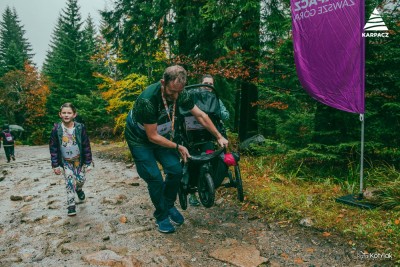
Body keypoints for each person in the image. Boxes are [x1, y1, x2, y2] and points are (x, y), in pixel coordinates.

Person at [125, 65, 228, 233]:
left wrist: (218, 136)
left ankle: (168, 204)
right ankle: (161, 215)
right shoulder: (148, 100)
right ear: (163, 82)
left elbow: (201, 115)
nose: (175, 97)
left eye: (179, 92)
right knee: (155, 178)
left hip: (163, 136)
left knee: (176, 170)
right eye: (171, 92)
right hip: (140, 139)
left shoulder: (180, 93)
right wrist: (178, 146)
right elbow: (152, 136)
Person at [189, 74, 230, 206]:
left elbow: (226, 115)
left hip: (209, 136)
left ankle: (210, 183)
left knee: (210, 157)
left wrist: (219, 113)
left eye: (210, 84)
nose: (208, 86)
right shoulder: (192, 97)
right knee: (192, 161)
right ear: (200, 84)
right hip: (192, 136)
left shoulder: (216, 100)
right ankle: (192, 193)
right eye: (206, 83)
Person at [49, 103, 93, 216]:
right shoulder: (56, 129)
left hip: (79, 160)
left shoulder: (80, 127)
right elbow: (53, 147)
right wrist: (55, 165)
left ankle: (79, 189)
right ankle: (71, 205)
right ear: (60, 114)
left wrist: (88, 162)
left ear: (74, 114)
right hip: (66, 161)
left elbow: (86, 145)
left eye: (69, 113)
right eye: (64, 113)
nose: (66, 115)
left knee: (81, 180)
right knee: (69, 182)